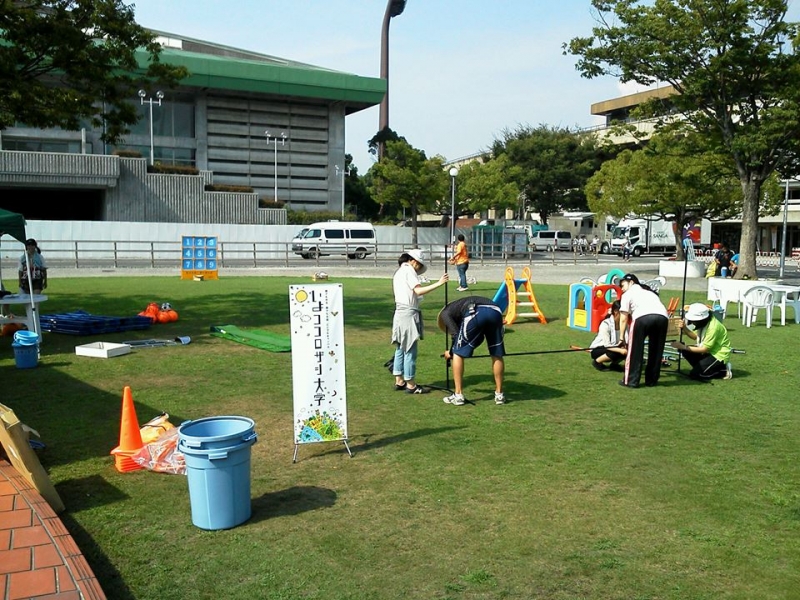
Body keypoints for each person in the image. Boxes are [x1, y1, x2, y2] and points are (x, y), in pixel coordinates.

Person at [391, 249, 449, 394]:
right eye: (419, 265)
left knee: (400, 347)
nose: (418, 268)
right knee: (410, 349)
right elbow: (418, 291)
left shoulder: (399, 272)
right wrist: (439, 283)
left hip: (399, 312)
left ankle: (399, 380)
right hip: (408, 313)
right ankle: (411, 384)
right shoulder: (409, 271)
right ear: (413, 261)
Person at [438, 296, 505, 406]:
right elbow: (478, 338)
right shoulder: (459, 306)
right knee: (496, 354)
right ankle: (499, 395)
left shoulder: (445, 313)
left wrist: (451, 352)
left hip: (475, 311)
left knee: (458, 353)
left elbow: (455, 335)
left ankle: (458, 395)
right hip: (496, 312)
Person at [617, 273, 669, 388]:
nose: (621, 288)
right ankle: (652, 380)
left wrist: (621, 337)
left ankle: (631, 381)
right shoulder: (650, 293)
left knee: (635, 350)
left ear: (631, 282)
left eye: (622, 285)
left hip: (642, 318)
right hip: (663, 318)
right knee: (656, 350)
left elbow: (623, 318)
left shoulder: (627, 294)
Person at [670, 303, 733, 381]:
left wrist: (683, 346)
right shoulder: (703, 323)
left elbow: (704, 349)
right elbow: (695, 337)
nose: (693, 322)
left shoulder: (713, 327)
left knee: (695, 375)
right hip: (708, 351)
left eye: (694, 321)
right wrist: (684, 328)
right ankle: (704, 368)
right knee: (685, 351)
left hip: (718, 355)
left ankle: (723, 371)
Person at [589, 301, 627, 371]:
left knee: (626, 350)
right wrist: (621, 350)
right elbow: (607, 345)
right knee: (616, 352)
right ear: (616, 312)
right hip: (598, 348)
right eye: (623, 313)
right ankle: (597, 362)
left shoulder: (624, 324)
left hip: (614, 346)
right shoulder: (605, 324)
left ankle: (614, 364)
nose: (625, 315)